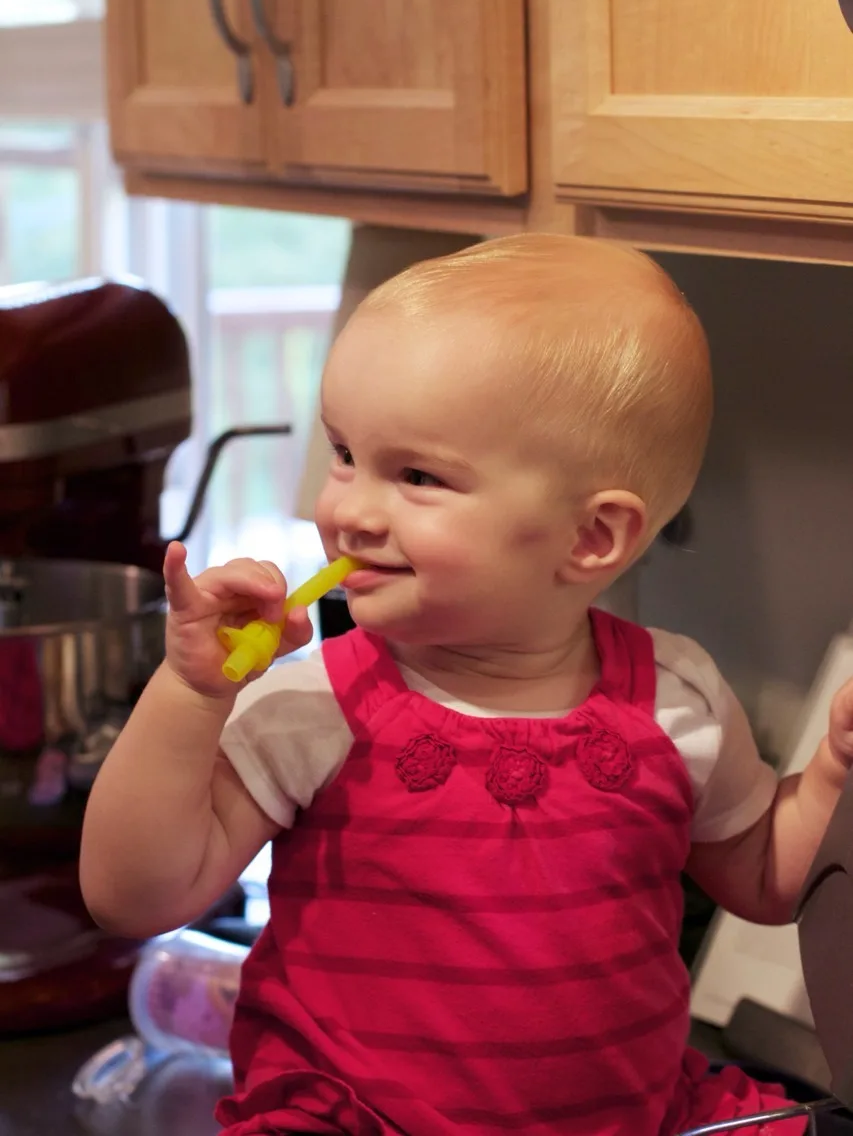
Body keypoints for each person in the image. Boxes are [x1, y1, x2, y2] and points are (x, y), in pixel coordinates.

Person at [80, 235, 853, 1136]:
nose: (347, 509)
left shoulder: (674, 698)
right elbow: (130, 898)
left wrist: (831, 772)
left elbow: (762, 874)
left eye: (415, 476)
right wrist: (189, 693)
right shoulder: (315, 702)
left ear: (590, 538)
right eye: (343, 454)